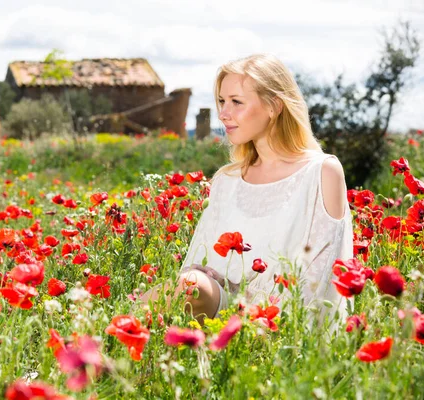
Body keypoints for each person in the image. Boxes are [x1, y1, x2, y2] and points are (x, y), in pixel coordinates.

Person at [140, 53, 354, 330]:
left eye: (236, 102)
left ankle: (96, 341)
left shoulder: (321, 172)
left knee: (190, 286)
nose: (223, 113)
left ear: (274, 105)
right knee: (189, 284)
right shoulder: (226, 180)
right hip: (222, 307)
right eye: (221, 101)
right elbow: (198, 264)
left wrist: (248, 301)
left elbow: (320, 276)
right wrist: (216, 281)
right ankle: (104, 337)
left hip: (284, 322)